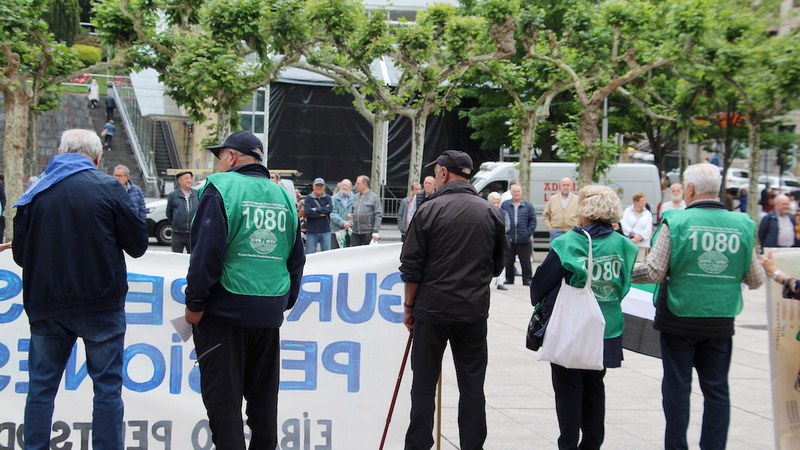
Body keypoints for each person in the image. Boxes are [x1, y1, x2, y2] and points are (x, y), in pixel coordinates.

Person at [12, 128, 148, 449]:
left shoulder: (36, 192)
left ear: (60, 152)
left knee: (41, 389)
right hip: (101, 305)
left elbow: (20, 255)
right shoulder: (109, 188)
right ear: (97, 159)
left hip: (47, 306)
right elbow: (138, 244)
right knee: (107, 389)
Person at [184, 130, 305, 449]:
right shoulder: (282, 196)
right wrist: (283, 300)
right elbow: (296, 257)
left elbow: (206, 254)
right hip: (268, 314)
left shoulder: (220, 188)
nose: (217, 164)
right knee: (264, 403)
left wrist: (195, 304)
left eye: (219, 156)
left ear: (232, 157)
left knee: (224, 405)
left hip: (224, 313)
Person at [631, 162, 765, 450]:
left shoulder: (676, 221)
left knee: (677, 388)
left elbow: (654, 271)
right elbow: (756, 279)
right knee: (717, 390)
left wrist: (624, 269)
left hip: (678, 318)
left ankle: (677, 446)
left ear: (689, 189)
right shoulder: (742, 224)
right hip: (720, 319)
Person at [400, 150, 506, 450]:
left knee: (422, 386)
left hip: (432, 310)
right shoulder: (490, 212)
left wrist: (409, 307)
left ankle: (418, 444)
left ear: (443, 174)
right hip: (472, 311)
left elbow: (411, 266)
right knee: (472, 387)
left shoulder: (429, 210)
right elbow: (497, 265)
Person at [531, 185, 638, 450]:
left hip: (573, 328)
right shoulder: (623, 244)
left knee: (568, 388)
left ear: (585, 210)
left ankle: (568, 444)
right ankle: (592, 443)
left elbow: (540, 286)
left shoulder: (569, 242)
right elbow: (624, 285)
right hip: (607, 328)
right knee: (594, 386)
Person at [501, 183, 536, 286]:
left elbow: (533, 221)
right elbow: (502, 218)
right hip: (510, 238)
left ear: (521, 193)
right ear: (511, 192)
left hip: (524, 239)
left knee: (526, 262)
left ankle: (527, 279)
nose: (516, 193)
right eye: (514, 191)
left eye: (518, 191)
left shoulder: (528, 206)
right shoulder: (505, 205)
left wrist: (528, 233)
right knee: (509, 261)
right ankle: (509, 279)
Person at [166, 171, 199, 253]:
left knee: (192, 257)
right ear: (180, 181)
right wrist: (176, 223)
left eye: (190, 178)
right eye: (186, 178)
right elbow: (169, 213)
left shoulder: (197, 194)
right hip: (178, 233)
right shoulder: (173, 195)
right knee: (176, 256)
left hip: (193, 233)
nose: (189, 180)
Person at [349, 175, 382, 246]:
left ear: (365, 184)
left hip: (368, 232)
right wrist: (351, 214)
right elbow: (353, 210)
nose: (356, 186)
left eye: (358, 184)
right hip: (355, 231)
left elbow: (378, 214)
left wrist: (375, 231)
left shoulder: (374, 197)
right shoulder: (355, 197)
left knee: (367, 254)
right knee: (354, 252)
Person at [543, 176, 578, 241]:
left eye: (568, 185)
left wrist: (578, 227)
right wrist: (549, 226)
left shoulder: (577, 199)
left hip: (572, 232)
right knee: (555, 251)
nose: (566, 187)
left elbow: (581, 215)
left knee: (570, 251)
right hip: (556, 232)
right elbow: (546, 215)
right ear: (560, 186)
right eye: (564, 185)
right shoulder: (553, 199)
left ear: (571, 186)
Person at [620, 192, 653, 261]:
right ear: (636, 202)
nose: (644, 202)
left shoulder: (648, 214)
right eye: (642, 201)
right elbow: (623, 224)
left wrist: (639, 238)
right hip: (630, 241)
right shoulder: (627, 211)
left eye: (645, 200)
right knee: (629, 261)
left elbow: (648, 229)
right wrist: (633, 235)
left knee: (640, 263)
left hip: (643, 244)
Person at [487, 191, 510, 291]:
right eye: (494, 202)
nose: (496, 205)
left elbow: (508, 226)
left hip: (501, 240)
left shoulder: (503, 213)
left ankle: (500, 282)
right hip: (489, 240)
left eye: (497, 202)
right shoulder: (486, 212)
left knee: (502, 259)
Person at [304, 177, 333, 253]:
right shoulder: (308, 198)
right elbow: (308, 212)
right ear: (313, 186)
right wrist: (322, 212)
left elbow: (329, 210)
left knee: (327, 254)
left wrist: (316, 209)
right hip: (311, 231)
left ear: (324, 187)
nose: (319, 187)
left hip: (325, 230)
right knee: (310, 254)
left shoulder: (328, 198)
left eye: (321, 186)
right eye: (317, 186)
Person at [330, 178, 354, 249]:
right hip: (335, 231)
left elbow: (356, 214)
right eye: (343, 185)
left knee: (348, 254)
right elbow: (332, 213)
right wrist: (343, 223)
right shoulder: (333, 198)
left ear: (350, 188)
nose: (345, 187)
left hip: (350, 231)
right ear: (340, 186)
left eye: (347, 186)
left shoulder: (355, 199)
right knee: (334, 254)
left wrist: (350, 223)